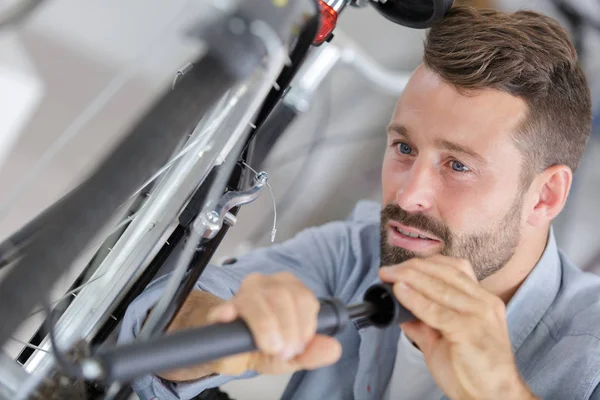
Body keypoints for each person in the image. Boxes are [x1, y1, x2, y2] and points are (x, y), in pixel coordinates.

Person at [118, 5, 600, 400]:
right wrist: (217, 330)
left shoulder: (589, 352)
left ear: (546, 195)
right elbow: (162, 321)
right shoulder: (357, 252)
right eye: (405, 149)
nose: (408, 195)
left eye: (458, 166)